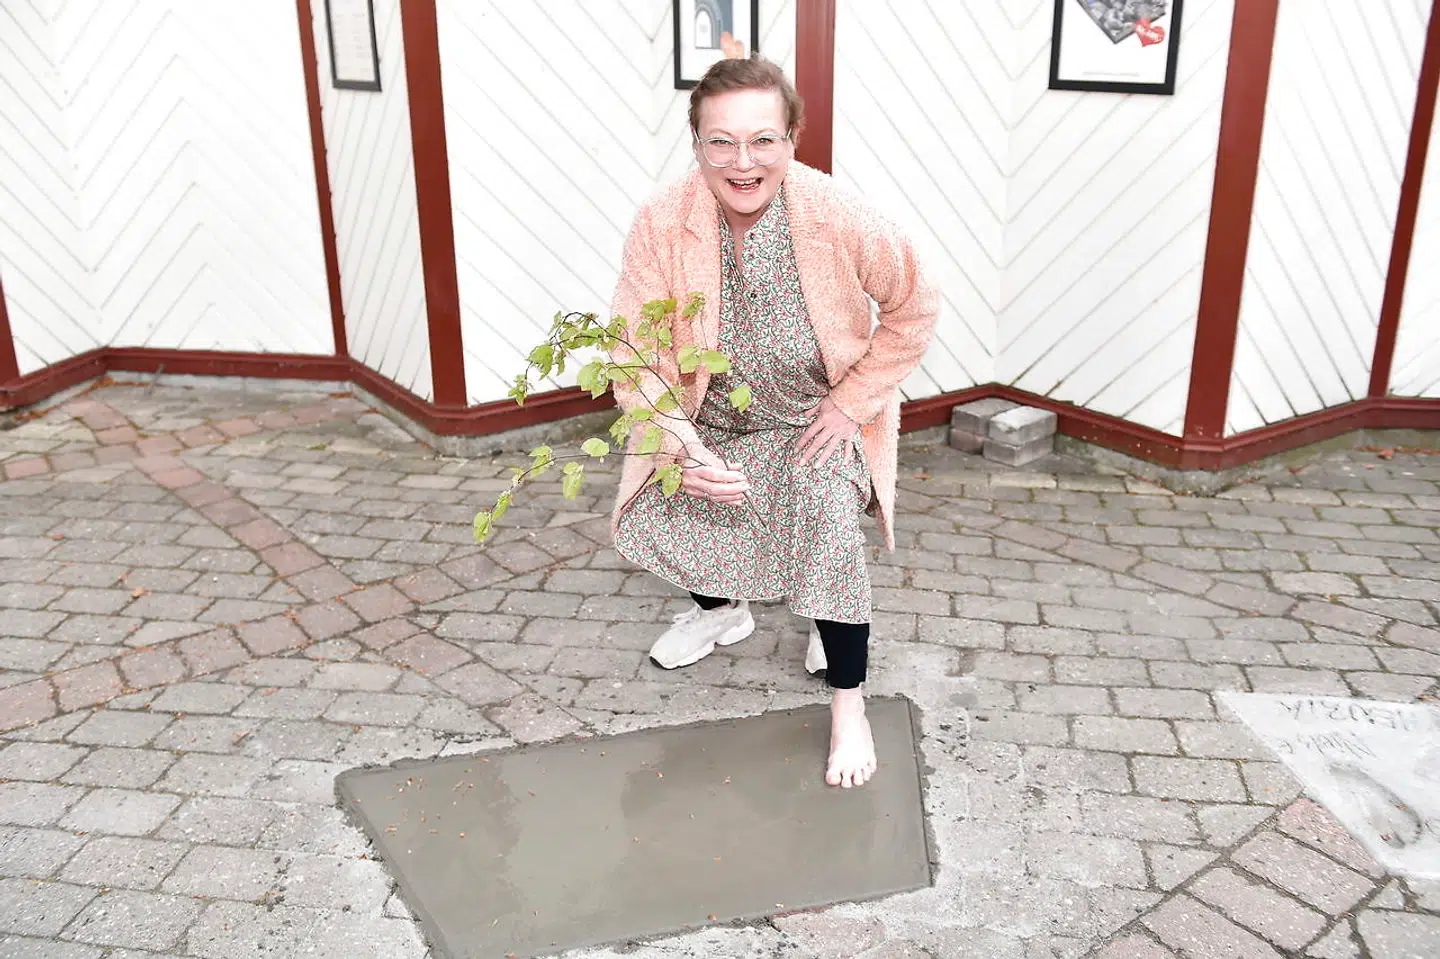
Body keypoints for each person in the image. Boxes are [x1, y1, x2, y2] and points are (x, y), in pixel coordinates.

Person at [607, 55, 938, 789]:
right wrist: (683, 445)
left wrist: (850, 404)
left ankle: (848, 702)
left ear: (793, 138)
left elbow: (917, 306)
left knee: (821, 518)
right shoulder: (663, 221)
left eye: (763, 139)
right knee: (667, 502)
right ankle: (724, 609)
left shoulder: (836, 214)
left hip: (810, 420)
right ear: (697, 146)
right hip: (710, 421)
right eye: (721, 141)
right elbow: (632, 351)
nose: (743, 161)